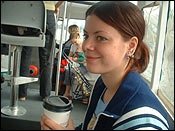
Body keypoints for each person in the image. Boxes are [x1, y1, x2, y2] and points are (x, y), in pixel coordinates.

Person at [40, 1, 170, 130]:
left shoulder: (142, 122)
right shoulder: (102, 84)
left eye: (101, 38)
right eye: (86, 35)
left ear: (131, 46)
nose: (86, 46)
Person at [18, 1, 64, 101]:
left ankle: (22, 94)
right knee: (46, 58)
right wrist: (54, 6)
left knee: (26, 55)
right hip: (48, 12)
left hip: (30, 11)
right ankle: (45, 95)